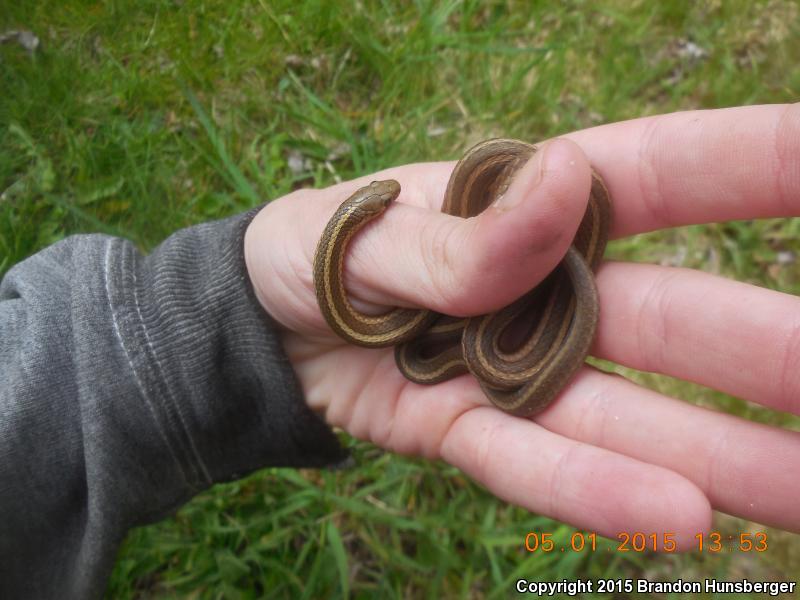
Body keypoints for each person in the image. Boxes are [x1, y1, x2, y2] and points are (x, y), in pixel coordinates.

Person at [2, 104, 799, 598]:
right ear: (363, 219)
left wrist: (219, 316)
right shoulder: (407, 334)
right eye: (371, 206)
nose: (379, 199)